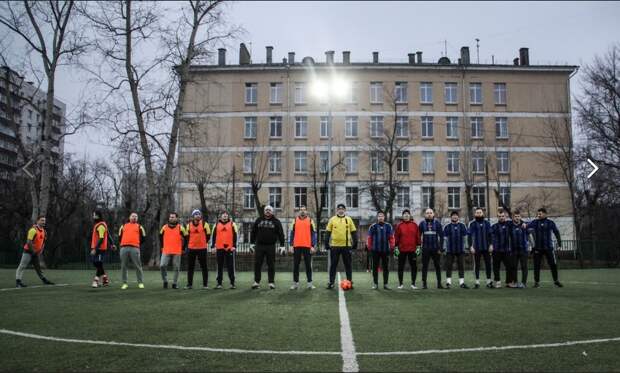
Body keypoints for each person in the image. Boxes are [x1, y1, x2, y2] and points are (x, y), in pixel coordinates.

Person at [250, 205, 285, 290]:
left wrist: (282, 245)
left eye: (269, 210)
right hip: (259, 246)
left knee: (271, 264)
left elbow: (281, 234)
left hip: (271, 246)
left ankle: (271, 282)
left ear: (272, 212)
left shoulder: (276, 221)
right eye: (266, 210)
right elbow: (253, 232)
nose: (268, 211)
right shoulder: (259, 220)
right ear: (264, 211)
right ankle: (256, 282)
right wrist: (251, 243)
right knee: (257, 264)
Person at [325, 203, 358, 290]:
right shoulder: (332, 219)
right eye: (339, 209)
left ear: (345, 210)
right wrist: (326, 243)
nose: (340, 210)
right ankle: (331, 283)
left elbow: (354, 232)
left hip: (346, 247)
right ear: (337, 210)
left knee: (348, 265)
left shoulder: (349, 219)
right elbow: (328, 232)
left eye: (342, 209)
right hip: (335, 247)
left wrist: (355, 243)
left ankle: (350, 282)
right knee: (333, 265)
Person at [527, 207, 563, 288]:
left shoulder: (550, 223)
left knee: (553, 264)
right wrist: (524, 224)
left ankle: (556, 281)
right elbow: (527, 225)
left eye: (540, 214)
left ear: (545, 214)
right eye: (538, 214)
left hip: (548, 248)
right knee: (536, 265)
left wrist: (559, 244)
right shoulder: (535, 222)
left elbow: (556, 232)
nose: (538, 215)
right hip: (538, 248)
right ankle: (536, 282)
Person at [15, 215, 54, 288]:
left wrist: (40, 251)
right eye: (42, 220)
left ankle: (44, 280)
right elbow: (29, 242)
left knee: (38, 268)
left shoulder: (44, 231)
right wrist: (33, 251)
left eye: (44, 220)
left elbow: (43, 242)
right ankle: (18, 282)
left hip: (35, 252)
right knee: (22, 266)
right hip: (28, 251)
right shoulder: (33, 230)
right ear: (38, 221)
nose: (44, 222)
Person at [288, 206, 317, 290]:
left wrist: (312, 246)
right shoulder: (295, 220)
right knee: (296, 266)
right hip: (297, 246)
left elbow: (314, 234)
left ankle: (310, 283)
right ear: (299, 211)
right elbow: (292, 234)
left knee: (308, 266)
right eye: (301, 210)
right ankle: (295, 284)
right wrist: (291, 245)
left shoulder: (311, 221)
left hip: (307, 246)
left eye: (304, 210)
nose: (303, 211)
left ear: (306, 211)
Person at [367, 211, 395, 290]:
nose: (380, 217)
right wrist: (369, 247)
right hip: (375, 250)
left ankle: (385, 284)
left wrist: (392, 246)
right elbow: (369, 238)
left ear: (384, 217)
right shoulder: (373, 226)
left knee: (386, 268)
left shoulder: (388, 226)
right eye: (379, 216)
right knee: (375, 268)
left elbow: (391, 237)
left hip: (385, 250)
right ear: (377, 217)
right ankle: (375, 284)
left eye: (382, 216)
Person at [394, 209, 421, 290]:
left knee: (414, 267)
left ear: (410, 215)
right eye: (404, 214)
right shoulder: (399, 226)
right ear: (402, 216)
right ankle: (400, 284)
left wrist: (419, 246)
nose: (406, 215)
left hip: (412, 250)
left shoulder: (415, 225)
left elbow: (418, 236)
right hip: (402, 250)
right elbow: (396, 237)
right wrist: (395, 247)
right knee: (400, 267)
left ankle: (413, 284)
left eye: (407, 214)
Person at [118, 212, 146, 289]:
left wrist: (136, 244)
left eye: (136, 216)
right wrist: (124, 243)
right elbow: (119, 237)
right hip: (124, 248)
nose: (134, 217)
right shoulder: (123, 226)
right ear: (129, 217)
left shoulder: (140, 226)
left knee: (138, 266)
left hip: (135, 248)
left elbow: (143, 237)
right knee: (124, 266)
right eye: (133, 216)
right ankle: (124, 283)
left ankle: (140, 283)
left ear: (137, 218)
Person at [159, 212, 187, 289]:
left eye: (173, 217)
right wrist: (162, 246)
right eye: (170, 217)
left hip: (177, 251)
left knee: (176, 267)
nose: (171, 218)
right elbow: (160, 237)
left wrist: (183, 248)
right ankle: (165, 281)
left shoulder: (180, 228)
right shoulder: (164, 227)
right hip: (166, 250)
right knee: (162, 265)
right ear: (169, 218)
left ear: (176, 218)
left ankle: (174, 283)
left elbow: (186, 238)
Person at [211, 211, 238, 289]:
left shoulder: (233, 224)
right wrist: (213, 246)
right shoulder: (216, 225)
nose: (225, 216)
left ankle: (232, 283)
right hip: (219, 248)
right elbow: (213, 236)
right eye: (223, 215)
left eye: (226, 215)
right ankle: (219, 283)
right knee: (219, 266)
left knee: (231, 266)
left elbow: (236, 235)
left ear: (228, 216)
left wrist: (234, 246)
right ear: (221, 216)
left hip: (230, 248)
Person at [185, 209, 211, 290]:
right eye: (196, 214)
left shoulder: (205, 224)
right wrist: (189, 245)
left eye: (199, 214)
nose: (198, 215)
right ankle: (189, 284)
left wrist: (203, 242)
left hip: (202, 249)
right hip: (191, 248)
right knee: (190, 267)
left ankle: (205, 285)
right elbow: (186, 236)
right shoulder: (188, 225)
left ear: (201, 216)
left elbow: (208, 235)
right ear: (193, 216)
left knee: (204, 267)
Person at [418, 208, 444, 289]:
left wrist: (440, 248)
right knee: (425, 266)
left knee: (437, 266)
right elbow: (418, 236)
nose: (429, 214)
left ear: (433, 214)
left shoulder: (438, 223)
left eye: (430, 213)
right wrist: (419, 247)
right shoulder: (422, 223)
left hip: (435, 249)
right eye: (427, 213)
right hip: (425, 249)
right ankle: (424, 284)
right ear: (425, 215)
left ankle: (439, 284)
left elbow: (442, 237)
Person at [90, 209, 116, 288]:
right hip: (98, 248)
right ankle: (105, 279)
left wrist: (95, 248)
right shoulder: (100, 224)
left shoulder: (101, 225)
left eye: (94, 215)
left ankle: (96, 281)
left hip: (100, 249)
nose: (93, 216)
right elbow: (108, 235)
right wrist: (112, 244)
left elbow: (101, 238)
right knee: (97, 263)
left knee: (98, 263)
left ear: (98, 216)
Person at [443, 211, 469, 289]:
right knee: (449, 266)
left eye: (456, 215)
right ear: (451, 217)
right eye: (453, 215)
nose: (454, 217)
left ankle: (462, 283)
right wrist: (444, 249)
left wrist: (466, 248)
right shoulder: (447, 226)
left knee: (461, 266)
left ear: (458, 217)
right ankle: (448, 283)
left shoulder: (462, 225)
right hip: (450, 250)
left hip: (460, 250)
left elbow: (465, 238)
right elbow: (444, 239)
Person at [468, 208, 493, 289]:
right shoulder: (472, 223)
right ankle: (477, 282)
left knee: (488, 264)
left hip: (486, 247)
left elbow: (490, 235)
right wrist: (470, 246)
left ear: (483, 214)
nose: (479, 214)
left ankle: (489, 282)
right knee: (477, 265)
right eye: (477, 213)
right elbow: (469, 236)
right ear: (475, 214)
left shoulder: (487, 223)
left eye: (480, 212)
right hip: (476, 248)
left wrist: (491, 245)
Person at [491, 211, 516, 288]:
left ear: (505, 217)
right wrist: (491, 245)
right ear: (497, 217)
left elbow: (517, 220)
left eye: (503, 216)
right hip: (496, 250)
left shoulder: (509, 224)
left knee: (509, 266)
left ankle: (508, 282)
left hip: (506, 250)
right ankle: (498, 282)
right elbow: (490, 237)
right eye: (500, 216)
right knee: (496, 267)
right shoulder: (494, 226)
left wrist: (523, 223)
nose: (501, 217)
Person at [510, 210, 530, 288]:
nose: (517, 218)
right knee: (514, 267)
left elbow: (530, 234)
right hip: (513, 250)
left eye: (518, 216)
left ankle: (523, 283)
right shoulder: (510, 225)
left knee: (524, 266)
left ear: (520, 217)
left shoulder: (524, 225)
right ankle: (515, 282)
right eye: (515, 216)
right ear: (513, 217)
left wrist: (531, 245)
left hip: (523, 250)